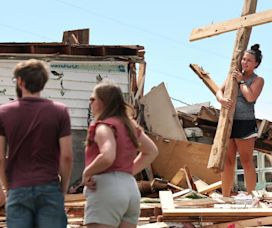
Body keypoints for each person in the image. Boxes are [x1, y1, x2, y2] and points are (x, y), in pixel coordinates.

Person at [0, 59, 73, 227]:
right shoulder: (60, 111)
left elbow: (0, 158)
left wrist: (8, 188)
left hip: (18, 189)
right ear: (44, 82)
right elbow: (67, 156)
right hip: (49, 188)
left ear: (20, 81)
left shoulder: (4, 113)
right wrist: (62, 190)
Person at [83, 81, 159, 227]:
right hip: (130, 189)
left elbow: (107, 156)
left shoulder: (104, 126)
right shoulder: (130, 125)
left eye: (93, 99)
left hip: (106, 189)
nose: (90, 102)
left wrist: (87, 172)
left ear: (103, 102)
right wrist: (127, 172)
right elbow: (151, 152)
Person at [216, 44, 264, 196]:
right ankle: (226, 196)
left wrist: (241, 81)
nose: (245, 62)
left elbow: (250, 97)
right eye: (243, 59)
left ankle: (251, 196)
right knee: (228, 161)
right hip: (229, 122)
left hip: (245, 122)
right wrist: (222, 100)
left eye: (249, 60)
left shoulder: (258, 80)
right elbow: (218, 90)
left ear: (256, 63)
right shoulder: (233, 75)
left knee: (246, 161)